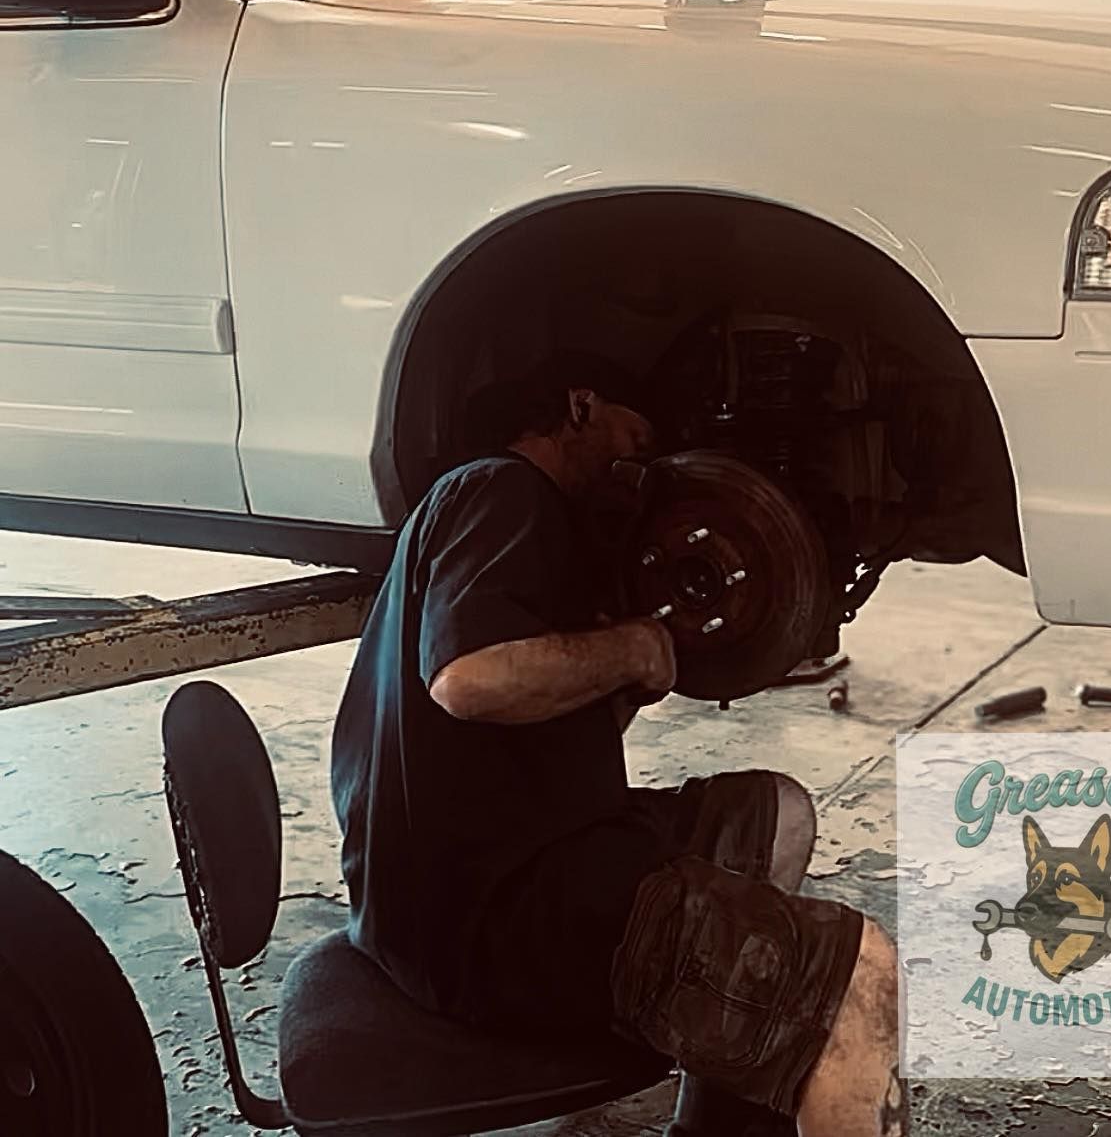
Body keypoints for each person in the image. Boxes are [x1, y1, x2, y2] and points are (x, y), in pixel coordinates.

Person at [331, 351, 905, 1137]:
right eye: (635, 436)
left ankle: (715, 1124)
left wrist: (618, 683)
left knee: (774, 812)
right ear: (579, 405)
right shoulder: (501, 486)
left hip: (464, 885)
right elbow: (468, 681)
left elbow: (531, 727)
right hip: (493, 921)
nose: (643, 466)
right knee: (858, 973)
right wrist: (633, 649)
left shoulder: (505, 523)